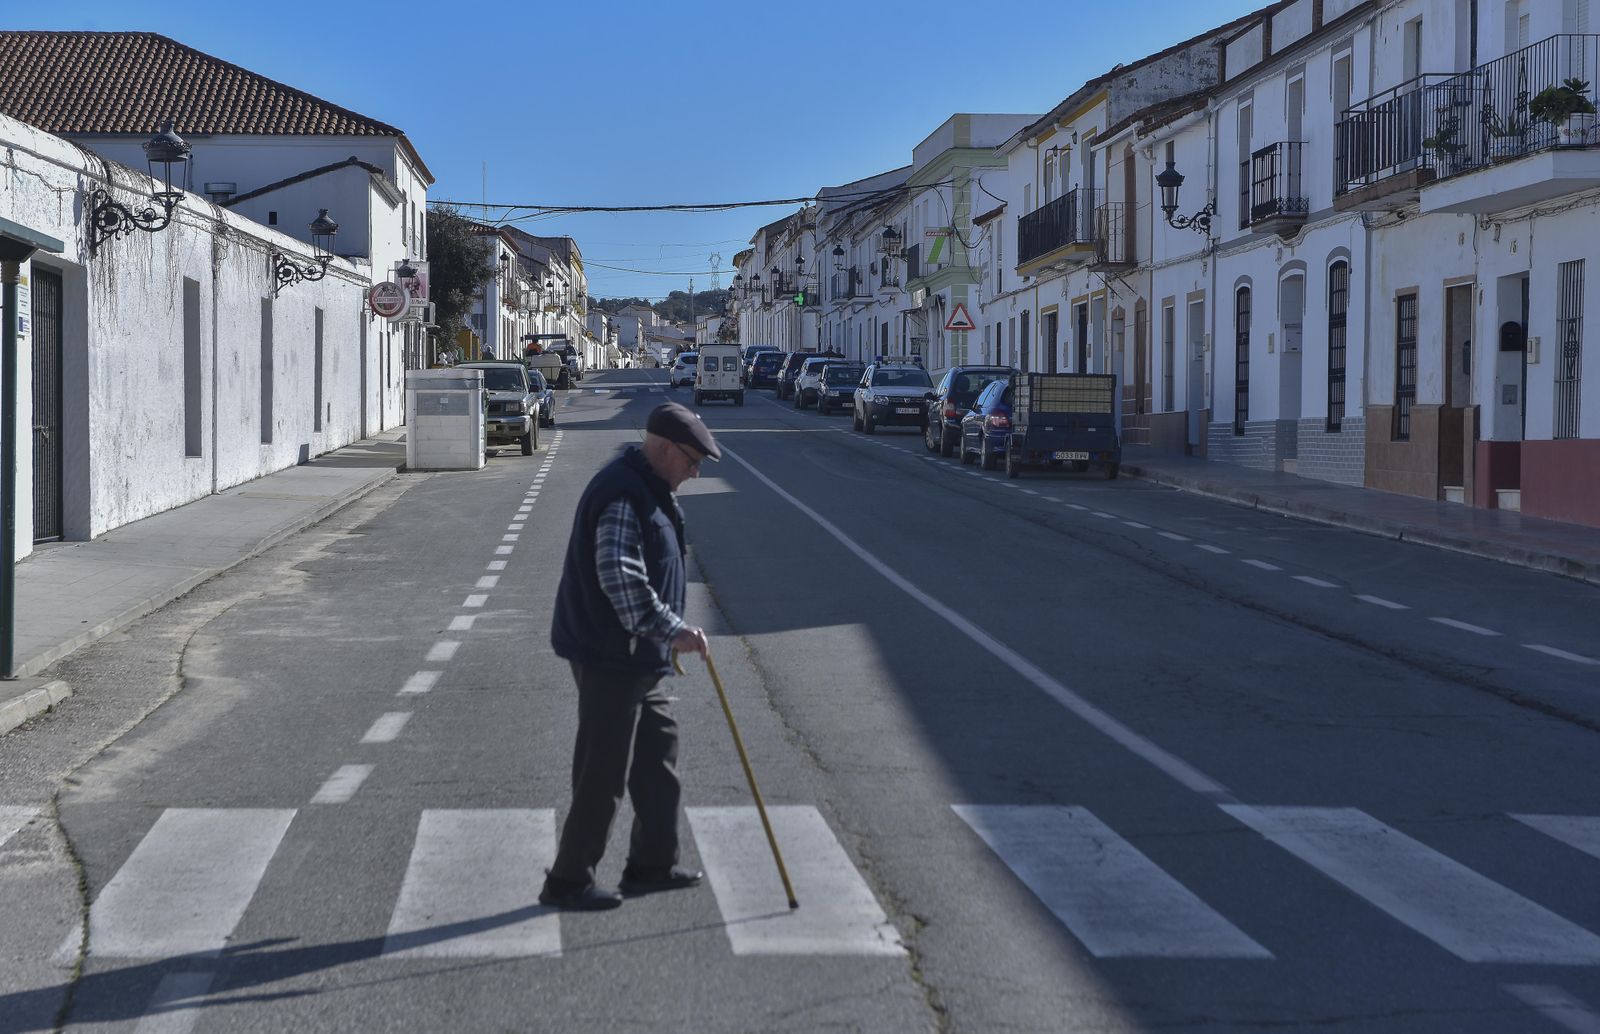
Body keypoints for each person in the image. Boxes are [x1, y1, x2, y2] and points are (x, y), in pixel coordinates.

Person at [541, 403, 718, 911]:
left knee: (657, 749)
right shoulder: (623, 493)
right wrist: (674, 629)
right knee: (604, 770)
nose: (695, 470)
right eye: (691, 459)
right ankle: (569, 879)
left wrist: (666, 636)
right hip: (609, 653)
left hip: (637, 655)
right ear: (663, 449)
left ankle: (652, 864)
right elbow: (620, 579)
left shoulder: (649, 487)